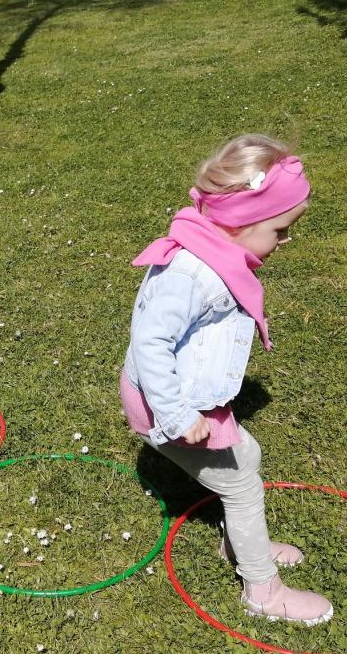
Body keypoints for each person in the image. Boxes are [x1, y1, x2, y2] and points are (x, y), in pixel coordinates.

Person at [120, 135, 331, 625]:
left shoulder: (215, 251)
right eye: (279, 230)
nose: (285, 241)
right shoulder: (193, 273)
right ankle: (263, 591)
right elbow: (149, 343)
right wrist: (177, 415)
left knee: (246, 460)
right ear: (241, 220)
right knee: (242, 487)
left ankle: (242, 540)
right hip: (168, 404)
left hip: (189, 398)